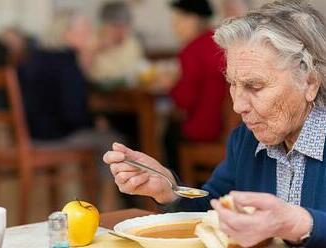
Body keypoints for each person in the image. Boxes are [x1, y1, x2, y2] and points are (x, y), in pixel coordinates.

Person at [104, 1, 326, 247]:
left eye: (255, 86)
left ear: (310, 82)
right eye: (233, 84)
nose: (238, 105)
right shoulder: (245, 140)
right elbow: (210, 208)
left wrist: (299, 223)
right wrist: (168, 189)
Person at [20, 12, 123, 211]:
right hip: (56, 136)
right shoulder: (67, 62)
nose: (90, 34)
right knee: (114, 142)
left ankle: (95, 205)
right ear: (67, 34)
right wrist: (95, 122)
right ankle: (110, 210)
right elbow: (74, 114)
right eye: (85, 30)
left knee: (102, 135)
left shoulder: (33, 59)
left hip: (32, 134)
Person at [164, 0, 228, 174]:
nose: (174, 26)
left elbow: (185, 100)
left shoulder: (192, 49)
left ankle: (179, 192)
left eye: (178, 21)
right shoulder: (222, 42)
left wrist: (171, 86)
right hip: (229, 127)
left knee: (168, 135)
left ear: (193, 20)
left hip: (205, 128)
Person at [88, 1, 144, 86]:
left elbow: (137, 71)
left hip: (129, 93)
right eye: (116, 26)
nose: (121, 31)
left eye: (125, 26)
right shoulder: (91, 43)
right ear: (103, 25)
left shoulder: (132, 43)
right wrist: (97, 48)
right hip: (100, 94)